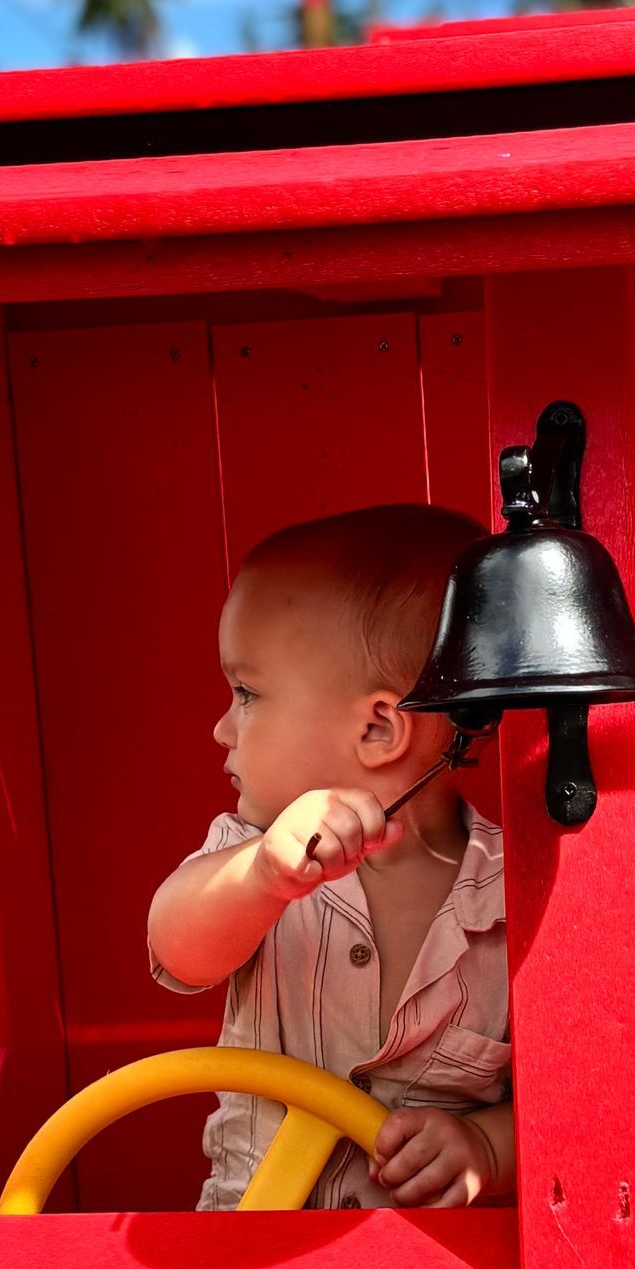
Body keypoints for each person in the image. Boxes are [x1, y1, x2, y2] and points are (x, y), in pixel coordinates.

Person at [149, 504, 514, 1211]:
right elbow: (178, 948)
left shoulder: (516, 899)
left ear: (379, 727)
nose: (221, 727)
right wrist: (259, 881)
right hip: (252, 1252)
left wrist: (488, 1148)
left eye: (247, 694)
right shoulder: (254, 858)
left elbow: (579, 1102)